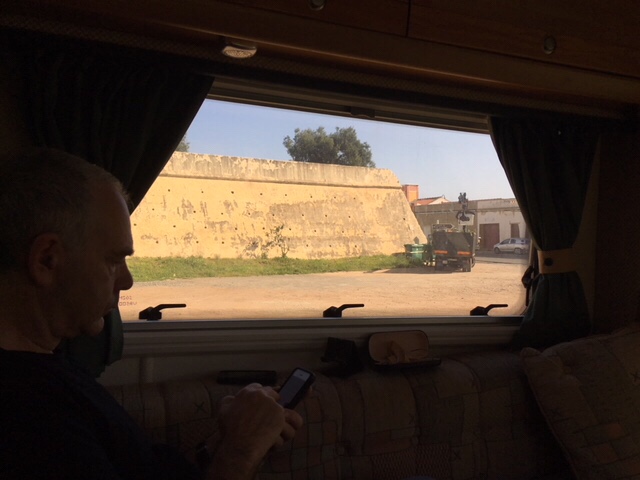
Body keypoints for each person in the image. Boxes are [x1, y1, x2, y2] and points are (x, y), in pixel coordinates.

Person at [0, 148, 304, 479]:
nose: (127, 281)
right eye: (113, 260)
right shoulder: (26, 415)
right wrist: (240, 453)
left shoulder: (51, 368)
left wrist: (227, 440)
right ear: (47, 260)